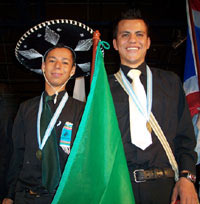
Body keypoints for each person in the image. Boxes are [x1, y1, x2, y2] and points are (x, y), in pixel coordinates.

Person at [108, 9, 199, 204]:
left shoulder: (170, 83)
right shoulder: (102, 89)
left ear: (148, 42)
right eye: (125, 35)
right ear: (115, 44)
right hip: (118, 189)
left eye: (139, 34)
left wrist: (187, 177)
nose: (132, 40)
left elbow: (185, 139)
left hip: (165, 189)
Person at [3, 19, 94, 204]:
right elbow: (16, 154)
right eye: (52, 61)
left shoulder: (83, 110)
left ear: (72, 70)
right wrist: (9, 195)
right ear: (43, 66)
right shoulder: (26, 108)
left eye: (65, 62)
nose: (58, 66)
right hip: (25, 197)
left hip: (65, 197)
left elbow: (87, 160)